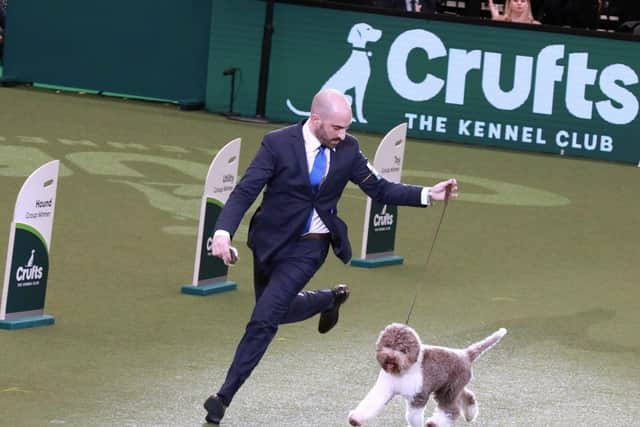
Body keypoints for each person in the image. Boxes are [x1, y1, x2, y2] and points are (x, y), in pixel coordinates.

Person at [202, 88, 458, 424]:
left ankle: (223, 397)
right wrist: (222, 232)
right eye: (337, 127)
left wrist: (427, 193)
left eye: (347, 127)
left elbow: (379, 188)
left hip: (311, 246)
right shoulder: (277, 144)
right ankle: (327, 300)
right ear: (316, 119)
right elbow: (247, 189)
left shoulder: (348, 150)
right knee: (275, 310)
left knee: (263, 320)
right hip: (269, 242)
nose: (344, 134)